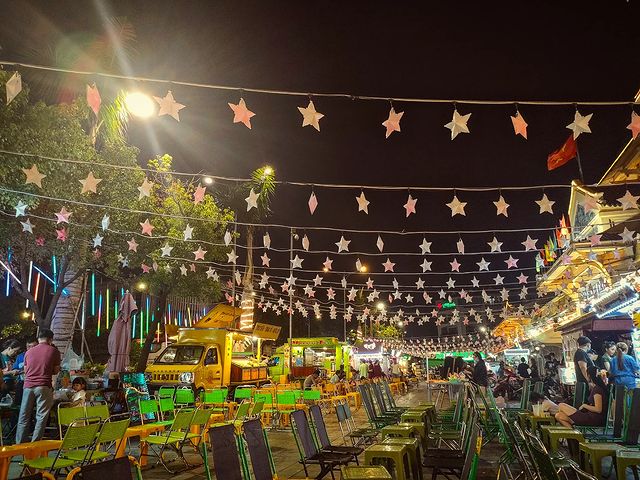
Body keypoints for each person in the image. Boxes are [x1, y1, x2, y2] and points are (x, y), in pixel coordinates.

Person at [15, 329, 61, 444]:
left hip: (28, 386)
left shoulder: (28, 352)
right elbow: (55, 371)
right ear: (50, 339)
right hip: (43, 386)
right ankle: (35, 444)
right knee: (41, 416)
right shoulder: (53, 351)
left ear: (38, 338)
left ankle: (19, 444)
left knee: (24, 416)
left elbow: (26, 370)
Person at [13, 338, 38, 407]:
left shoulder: (40, 357)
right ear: (26, 347)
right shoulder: (20, 356)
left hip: (35, 385)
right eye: (29, 346)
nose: (31, 348)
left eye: (34, 346)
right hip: (21, 384)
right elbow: (15, 369)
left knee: (32, 406)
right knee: (18, 405)